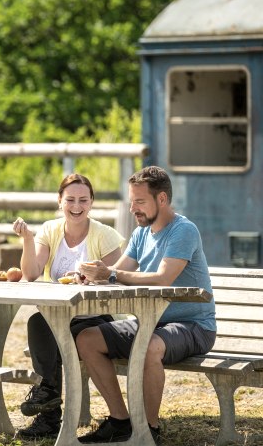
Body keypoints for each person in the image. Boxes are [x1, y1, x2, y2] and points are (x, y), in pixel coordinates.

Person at [75, 166, 217, 445]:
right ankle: (120, 421)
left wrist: (112, 274)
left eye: (140, 202)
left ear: (162, 199)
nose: (133, 209)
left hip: (193, 326)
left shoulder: (184, 230)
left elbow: (164, 278)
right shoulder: (142, 233)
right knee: (87, 339)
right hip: (149, 323)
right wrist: (94, 275)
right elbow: (118, 271)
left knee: (149, 345)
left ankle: (148, 430)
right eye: (131, 202)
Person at [12, 173, 125, 439]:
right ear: (60, 201)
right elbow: (31, 273)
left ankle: (48, 409)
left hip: (97, 317)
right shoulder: (50, 230)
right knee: (39, 322)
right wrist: (28, 239)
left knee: (50, 328)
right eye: (70, 199)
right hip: (60, 316)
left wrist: (96, 277)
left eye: (83, 200)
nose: (77, 206)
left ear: (91, 202)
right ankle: (49, 402)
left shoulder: (105, 234)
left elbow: (119, 279)